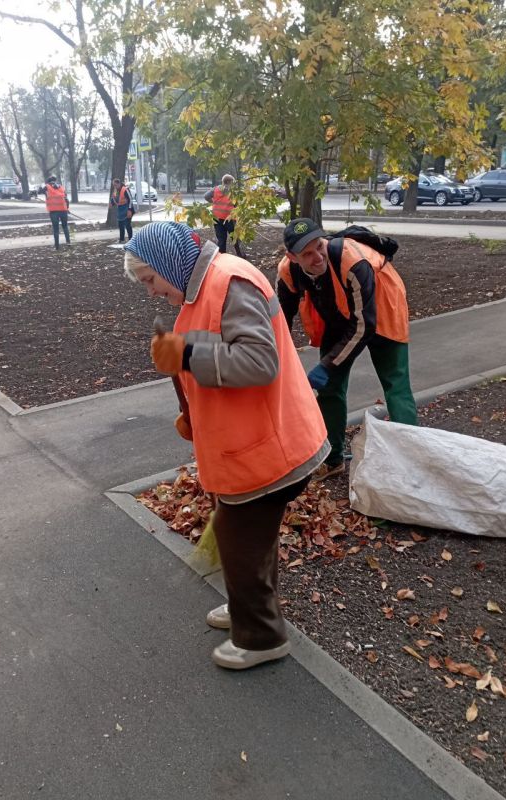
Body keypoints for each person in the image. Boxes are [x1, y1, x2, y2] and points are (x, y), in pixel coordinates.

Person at [123, 222, 329, 670]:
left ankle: (260, 637)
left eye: (150, 281)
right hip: (254, 446)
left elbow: (258, 361)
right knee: (251, 539)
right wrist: (190, 403)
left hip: (271, 448)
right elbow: (220, 349)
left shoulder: (229, 281)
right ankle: (250, 610)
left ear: (167, 265)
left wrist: (185, 353)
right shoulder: (204, 288)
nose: (152, 293)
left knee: (239, 541)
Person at [277, 218, 418, 481]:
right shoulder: (288, 271)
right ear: (292, 257)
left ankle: (408, 464)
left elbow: (364, 326)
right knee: (329, 388)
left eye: (319, 246)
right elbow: (280, 321)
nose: (318, 256)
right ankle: (332, 460)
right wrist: (278, 361)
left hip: (382, 307)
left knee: (395, 383)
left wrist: (326, 365)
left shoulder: (352, 261)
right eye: (307, 254)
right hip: (339, 314)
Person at [204, 174, 245, 257]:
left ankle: (222, 257)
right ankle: (240, 254)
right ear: (230, 182)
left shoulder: (215, 189)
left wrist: (213, 202)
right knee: (235, 237)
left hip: (217, 218)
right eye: (232, 182)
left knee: (221, 239)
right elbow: (237, 205)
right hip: (230, 218)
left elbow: (206, 196)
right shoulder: (233, 191)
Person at [39, 176, 70, 250]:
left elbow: (39, 192)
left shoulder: (47, 187)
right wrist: (67, 208)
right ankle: (68, 242)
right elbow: (66, 199)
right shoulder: (61, 187)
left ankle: (57, 246)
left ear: (48, 181)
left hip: (53, 211)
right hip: (63, 210)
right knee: (65, 227)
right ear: (55, 180)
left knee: (56, 229)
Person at [110, 178, 134, 243]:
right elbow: (113, 198)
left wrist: (129, 210)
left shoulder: (125, 189)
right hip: (121, 210)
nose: (115, 186)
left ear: (119, 183)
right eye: (114, 185)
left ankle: (131, 239)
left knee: (127, 225)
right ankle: (122, 239)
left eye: (115, 185)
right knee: (120, 225)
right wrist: (111, 203)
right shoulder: (115, 190)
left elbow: (130, 200)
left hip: (128, 209)